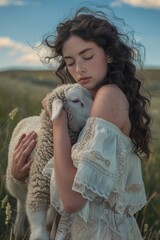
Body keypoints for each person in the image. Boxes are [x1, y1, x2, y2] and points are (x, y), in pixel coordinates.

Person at [11, 6, 152, 239]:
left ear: (108, 53)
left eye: (87, 56)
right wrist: (24, 174)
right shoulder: (91, 102)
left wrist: (56, 119)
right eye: (70, 61)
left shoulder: (108, 97)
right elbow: (67, 176)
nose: (79, 69)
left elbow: (72, 200)